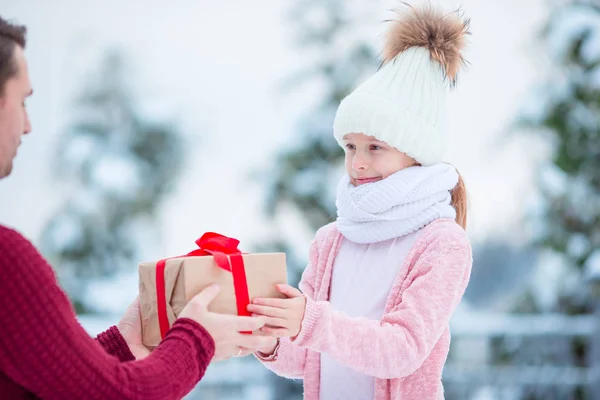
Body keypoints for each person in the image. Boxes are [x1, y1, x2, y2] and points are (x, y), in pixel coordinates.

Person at [0, 15, 276, 400]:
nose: (28, 125)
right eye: (23, 101)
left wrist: (129, 336)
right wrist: (198, 339)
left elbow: (63, 386)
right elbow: (119, 396)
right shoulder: (6, 261)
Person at [247, 3, 474, 400]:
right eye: (350, 146)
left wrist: (310, 319)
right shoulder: (332, 239)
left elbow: (403, 349)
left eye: (375, 147)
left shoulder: (442, 243)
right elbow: (306, 357)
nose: (359, 163)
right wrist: (271, 339)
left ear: (414, 152)